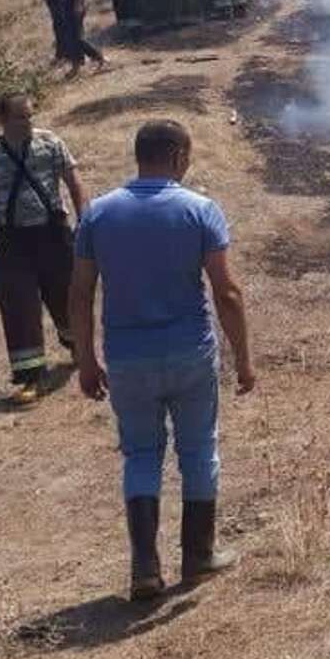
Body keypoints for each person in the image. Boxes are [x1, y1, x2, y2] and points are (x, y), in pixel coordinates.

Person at [69, 119, 254, 600]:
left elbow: (80, 293)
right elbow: (227, 293)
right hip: (190, 352)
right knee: (197, 450)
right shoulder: (200, 211)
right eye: (187, 157)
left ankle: (145, 569)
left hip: (128, 358)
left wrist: (86, 361)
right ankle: (198, 555)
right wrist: (244, 359)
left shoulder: (98, 215)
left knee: (141, 455)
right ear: (176, 157)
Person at [0, 93, 88, 406]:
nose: (28, 122)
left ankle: (77, 345)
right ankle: (30, 377)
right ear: (2, 120)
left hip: (54, 235)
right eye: (21, 117)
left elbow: (74, 184)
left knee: (64, 296)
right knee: (18, 305)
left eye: (30, 115)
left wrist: (86, 224)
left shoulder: (51, 143)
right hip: (12, 240)